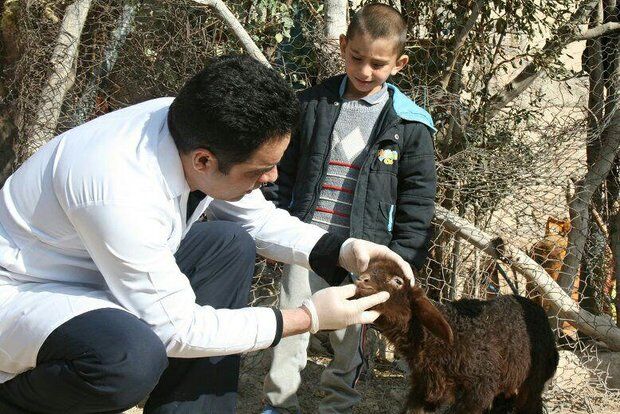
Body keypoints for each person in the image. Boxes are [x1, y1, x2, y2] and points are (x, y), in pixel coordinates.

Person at [0, 54, 415, 414]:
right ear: (204, 160)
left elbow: (256, 218)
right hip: (28, 286)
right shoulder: (119, 186)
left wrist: (343, 250)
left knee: (227, 244)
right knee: (128, 357)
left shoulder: (188, 125)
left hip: (96, 264)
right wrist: (307, 318)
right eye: (260, 170)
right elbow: (176, 329)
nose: (271, 177)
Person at [261, 4, 436, 414]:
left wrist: (402, 259)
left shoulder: (411, 125)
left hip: (368, 257)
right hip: (306, 243)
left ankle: (337, 406)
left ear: (399, 63)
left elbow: (418, 199)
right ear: (342, 46)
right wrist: (272, 223)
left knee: (351, 337)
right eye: (357, 57)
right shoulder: (311, 105)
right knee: (291, 327)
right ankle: (278, 404)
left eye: (378, 64)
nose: (365, 71)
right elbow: (282, 169)